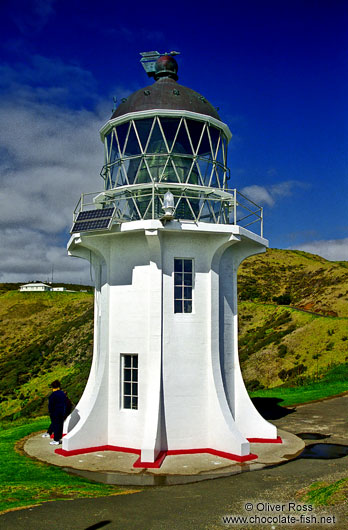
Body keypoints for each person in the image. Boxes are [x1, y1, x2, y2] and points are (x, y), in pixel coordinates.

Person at [43, 380, 66, 445]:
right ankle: (58, 438)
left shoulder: (53, 395)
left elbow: (51, 405)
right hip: (62, 411)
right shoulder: (62, 393)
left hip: (55, 412)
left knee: (56, 425)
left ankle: (56, 440)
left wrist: (50, 412)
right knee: (60, 425)